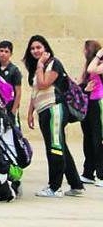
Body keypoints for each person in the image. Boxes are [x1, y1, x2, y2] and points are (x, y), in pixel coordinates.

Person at [25, 35, 84, 197]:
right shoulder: (38, 67)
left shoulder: (53, 64)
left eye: (38, 47)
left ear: (46, 48)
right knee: (60, 145)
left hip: (55, 109)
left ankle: (55, 187)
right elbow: (36, 91)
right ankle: (76, 184)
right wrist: (30, 113)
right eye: (32, 48)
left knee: (55, 147)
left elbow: (44, 83)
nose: (35, 51)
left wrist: (40, 65)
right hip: (43, 110)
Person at [81, 43, 103, 186]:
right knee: (88, 138)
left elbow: (92, 69)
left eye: (85, 48)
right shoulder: (88, 65)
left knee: (98, 139)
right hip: (89, 104)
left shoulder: (99, 63)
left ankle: (102, 174)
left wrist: (99, 55)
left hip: (99, 102)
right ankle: (88, 172)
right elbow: (82, 81)